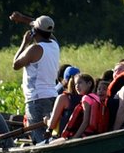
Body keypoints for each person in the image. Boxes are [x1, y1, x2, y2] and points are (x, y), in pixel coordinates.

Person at [10, 12, 60, 143]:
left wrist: (24, 43)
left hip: (36, 99)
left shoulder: (34, 49)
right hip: (52, 97)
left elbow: (15, 65)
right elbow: (42, 27)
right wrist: (24, 19)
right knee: (50, 134)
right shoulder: (55, 44)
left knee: (39, 138)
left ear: (34, 32)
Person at [57, 73, 105, 140]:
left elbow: (86, 121)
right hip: (95, 133)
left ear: (89, 84)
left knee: (54, 142)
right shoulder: (96, 97)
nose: (77, 86)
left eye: (80, 83)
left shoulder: (86, 98)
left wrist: (74, 138)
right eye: (76, 84)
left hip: (86, 135)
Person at [46, 70, 82, 137]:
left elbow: (52, 125)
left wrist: (46, 121)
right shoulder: (89, 98)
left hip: (63, 138)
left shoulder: (63, 98)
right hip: (83, 136)